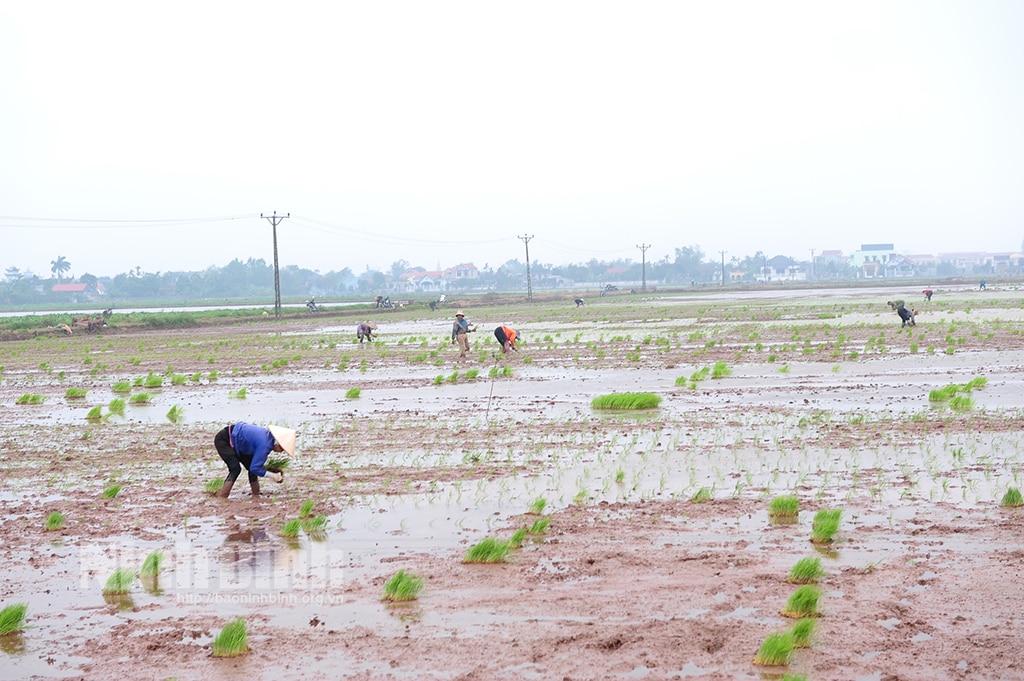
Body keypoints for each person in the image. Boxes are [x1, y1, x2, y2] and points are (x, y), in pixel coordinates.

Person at [213, 423, 296, 499]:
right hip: (225, 440)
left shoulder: (268, 438)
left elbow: (254, 467)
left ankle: (256, 495)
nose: (281, 452)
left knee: (251, 467)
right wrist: (273, 476)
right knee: (235, 469)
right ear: (278, 443)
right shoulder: (265, 444)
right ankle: (223, 497)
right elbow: (255, 468)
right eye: (282, 449)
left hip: (239, 444)